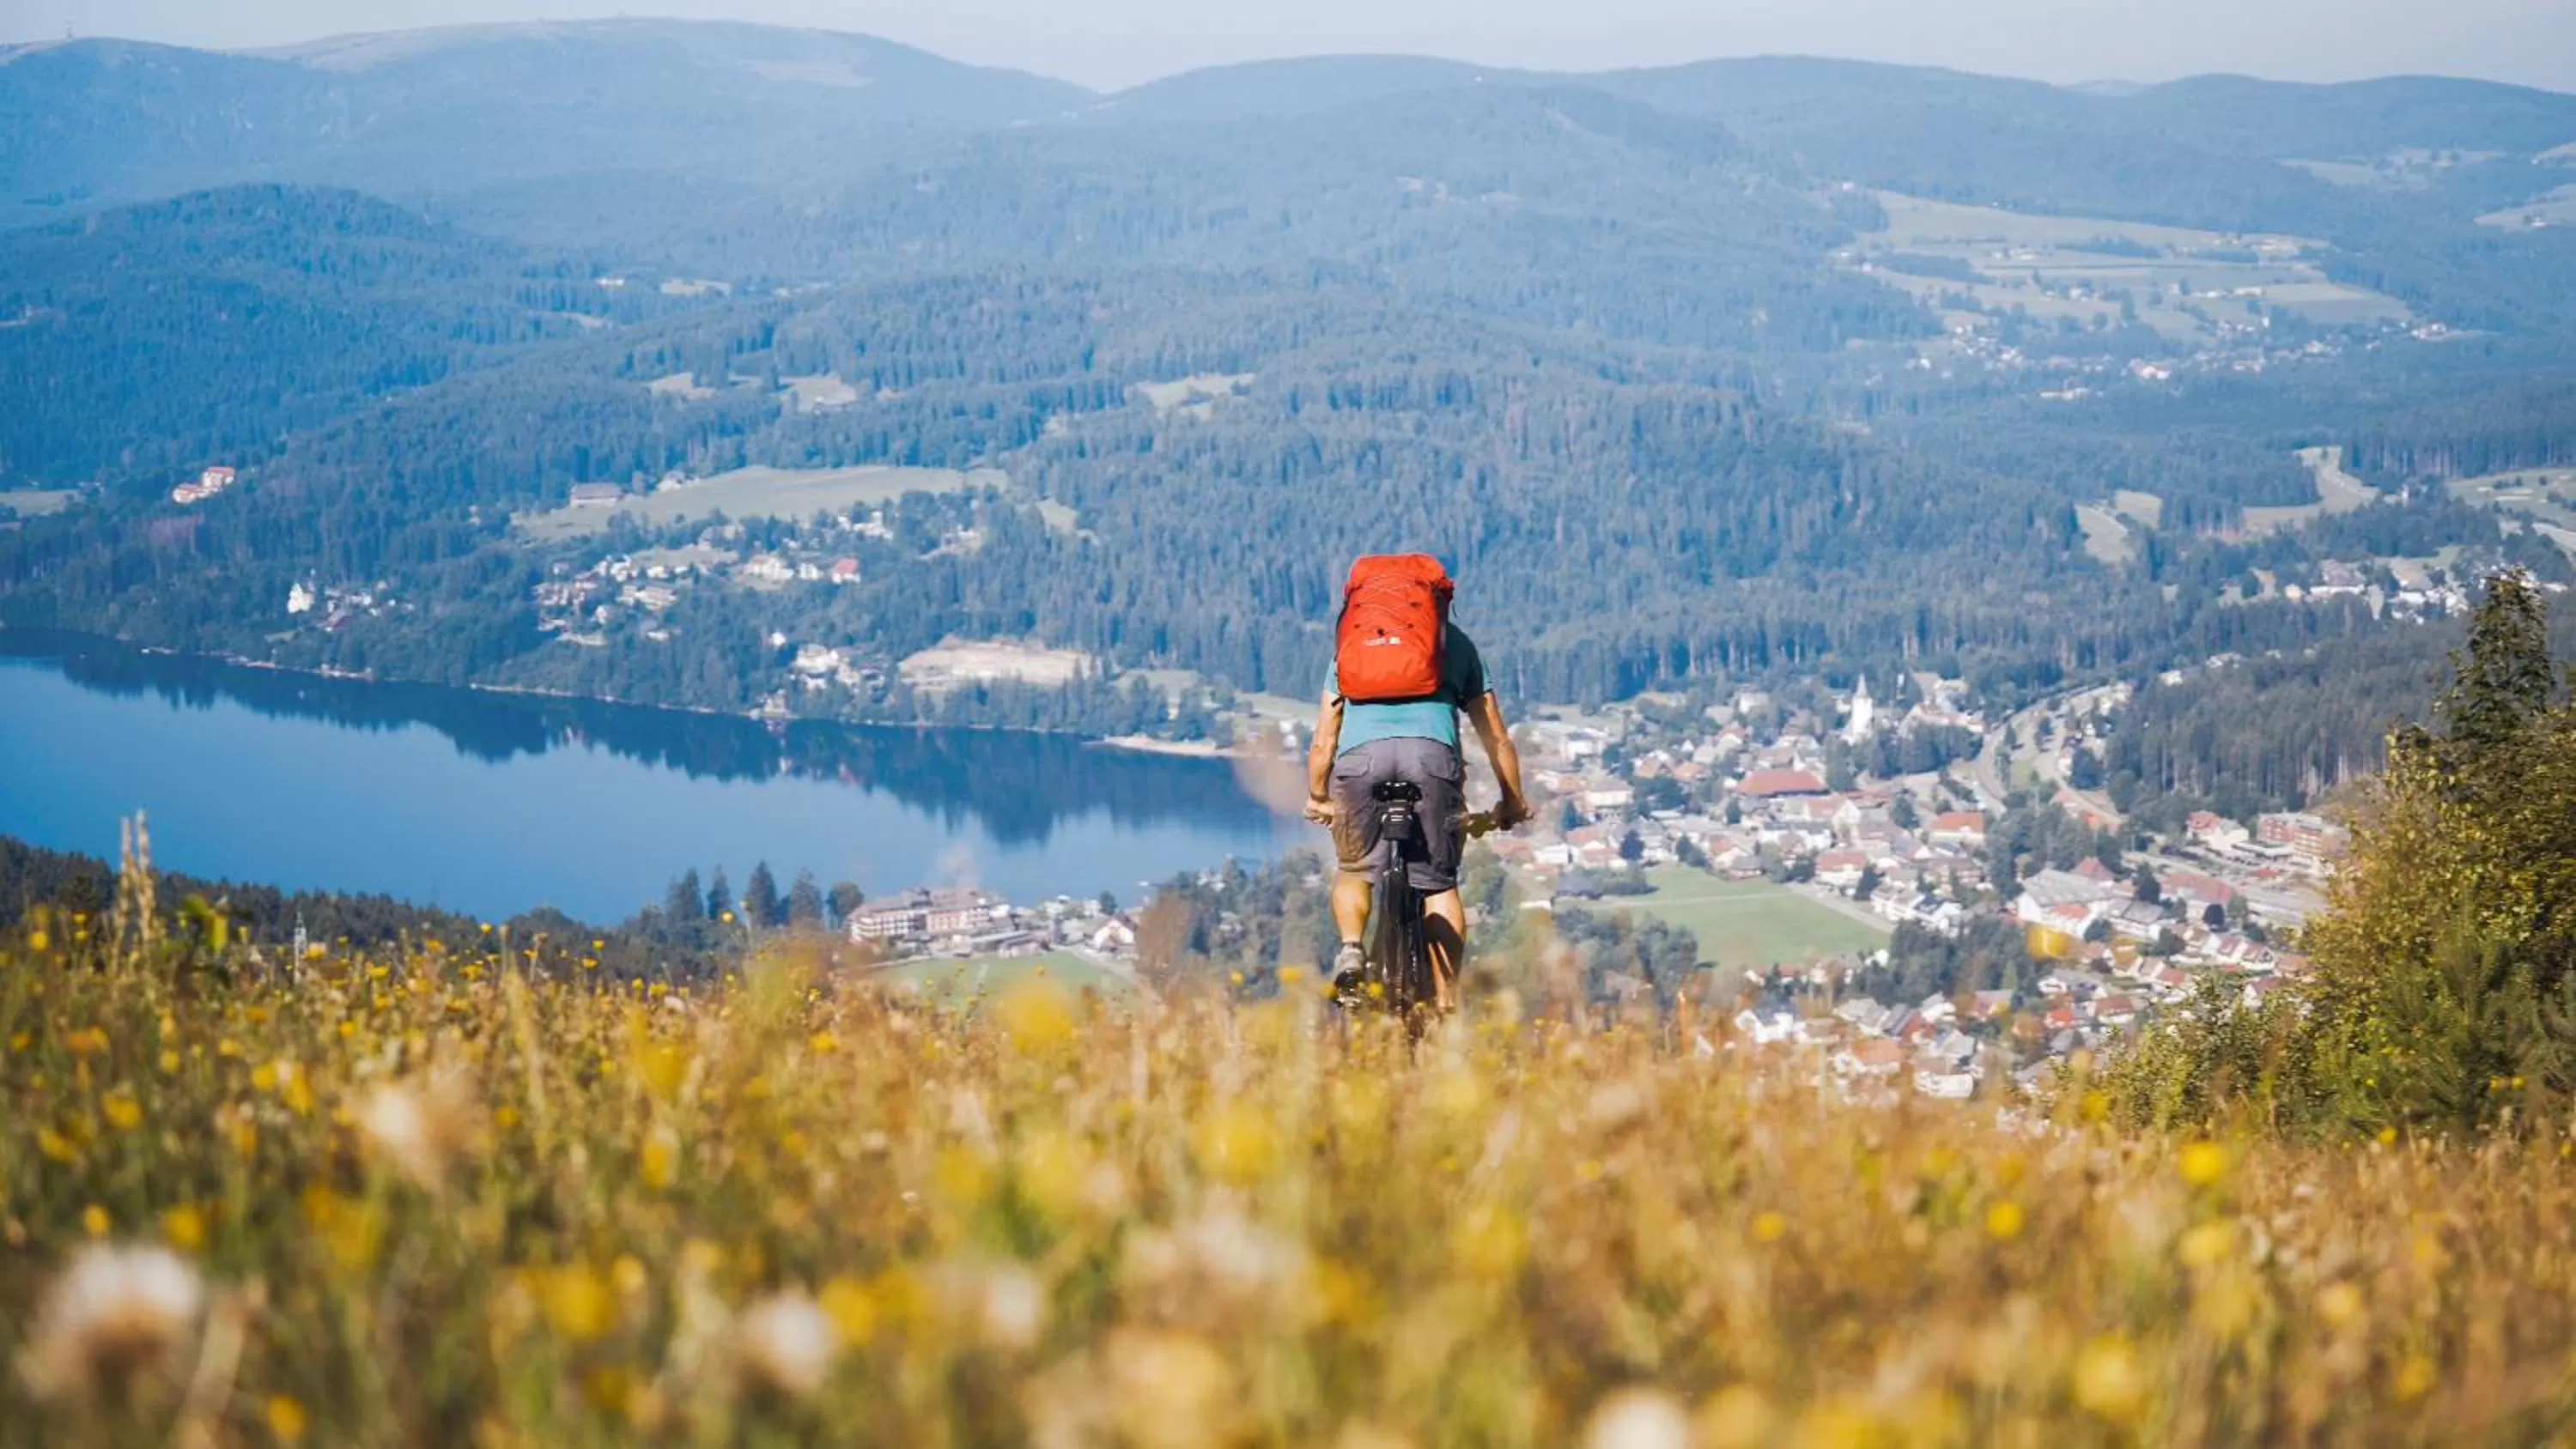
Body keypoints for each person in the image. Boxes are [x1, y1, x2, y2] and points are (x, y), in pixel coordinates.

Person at [1303, 593, 1529, 1009]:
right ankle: (1445, 1005)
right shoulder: (1455, 645)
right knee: (1439, 883)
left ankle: (1352, 949)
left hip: (1361, 765)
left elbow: (1323, 740)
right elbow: (1496, 736)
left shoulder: (1355, 644)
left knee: (1354, 868)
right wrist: (1511, 801)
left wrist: (1318, 796)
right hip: (1431, 763)